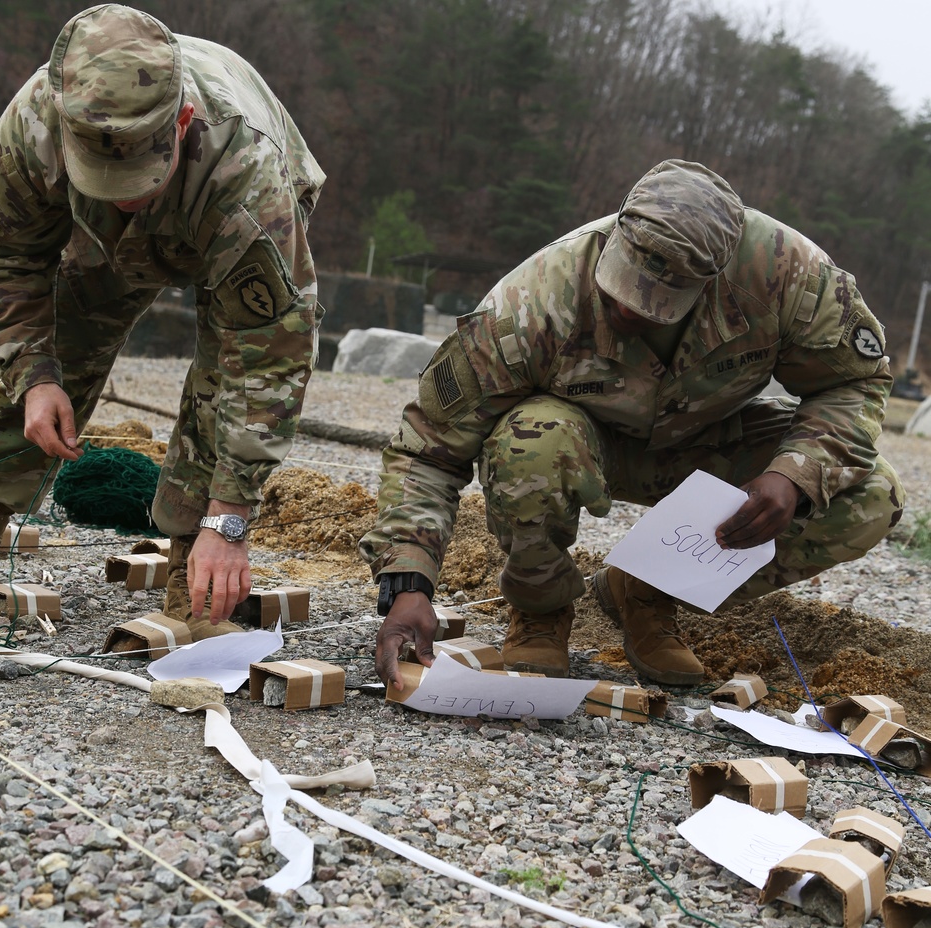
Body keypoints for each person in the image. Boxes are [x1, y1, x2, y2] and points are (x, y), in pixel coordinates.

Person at [362, 159, 904, 687]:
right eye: (620, 289)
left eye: (658, 304)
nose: (628, 311)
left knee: (871, 493)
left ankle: (645, 590)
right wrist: (408, 584)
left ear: (714, 278)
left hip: (710, 444)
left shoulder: (789, 276)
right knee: (530, 440)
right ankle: (541, 610)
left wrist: (794, 473)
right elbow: (430, 450)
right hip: (582, 444)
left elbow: (855, 382)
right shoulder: (531, 303)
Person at [0, 3, 323, 636]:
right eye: (103, 176)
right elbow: (4, 259)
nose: (125, 194)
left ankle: (188, 569)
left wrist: (229, 516)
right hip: (95, 235)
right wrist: (34, 375)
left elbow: (268, 355)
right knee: (58, 334)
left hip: (217, 213)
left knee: (222, 375)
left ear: (183, 122)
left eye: (136, 176)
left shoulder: (247, 171)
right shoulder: (31, 129)